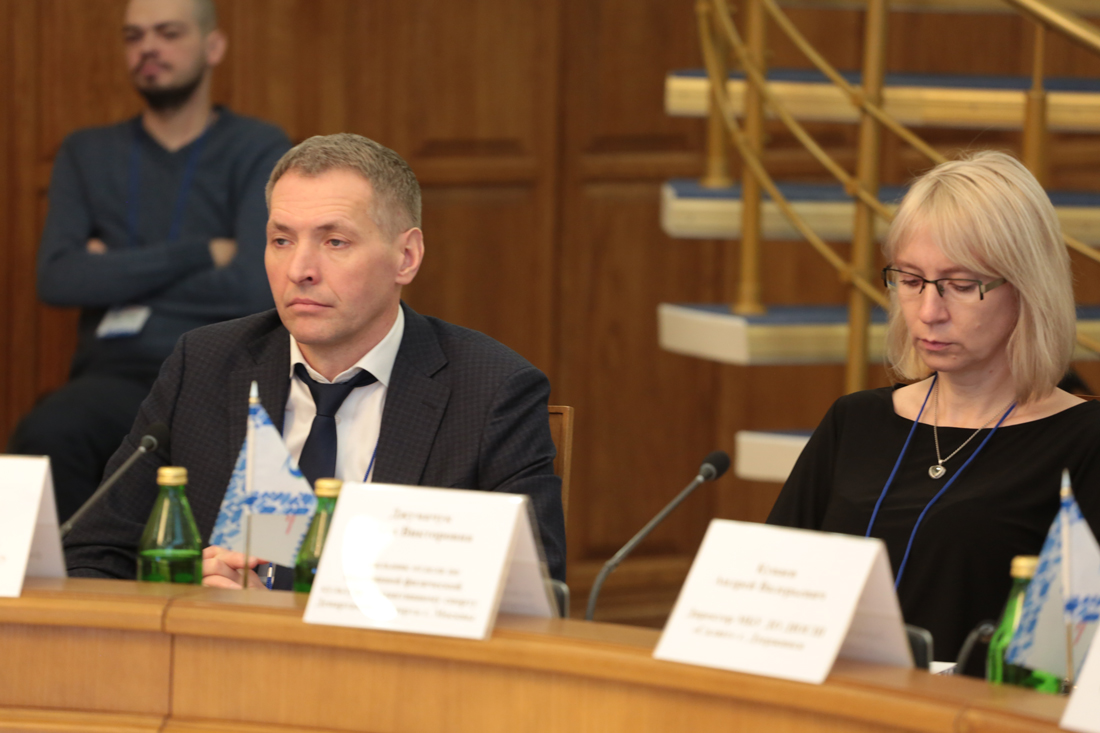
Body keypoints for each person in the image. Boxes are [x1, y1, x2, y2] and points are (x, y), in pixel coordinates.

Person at [63, 133, 567, 585]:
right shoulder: (205, 366)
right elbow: (93, 552)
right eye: (281, 240)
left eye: (334, 241)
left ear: (406, 257)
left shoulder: (491, 390)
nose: (299, 269)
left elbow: (535, 590)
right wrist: (186, 589)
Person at [767, 150, 1100, 663]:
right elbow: (771, 583)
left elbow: (1078, 648)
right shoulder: (854, 420)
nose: (928, 311)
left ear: (1028, 289)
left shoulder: (1085, 442)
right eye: (910, 280)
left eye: (961, 286)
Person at [6, 0, 290, 523]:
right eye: (134, 37)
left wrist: (113, 271)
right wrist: (201, 252)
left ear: (213, 46)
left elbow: (254, 284)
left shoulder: (257, 147)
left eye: (168, 33)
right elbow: (59, 277)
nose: (148, 48)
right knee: (49, 431)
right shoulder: (86, 153)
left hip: (221, 370)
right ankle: (73, 579)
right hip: (114, 375)